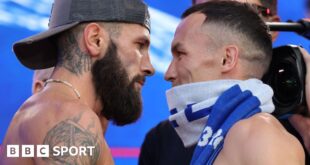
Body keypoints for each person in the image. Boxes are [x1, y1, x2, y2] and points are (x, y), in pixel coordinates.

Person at [139, 1, 305, 165]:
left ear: (227, 59)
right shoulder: (165, 140)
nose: (169, 74)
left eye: (181, 54)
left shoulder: (260, 134)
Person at [0, 0, 154, 164]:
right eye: (140, 46)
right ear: (95, 40)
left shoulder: (41, 110)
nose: (149, 67)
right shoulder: (71, 117)